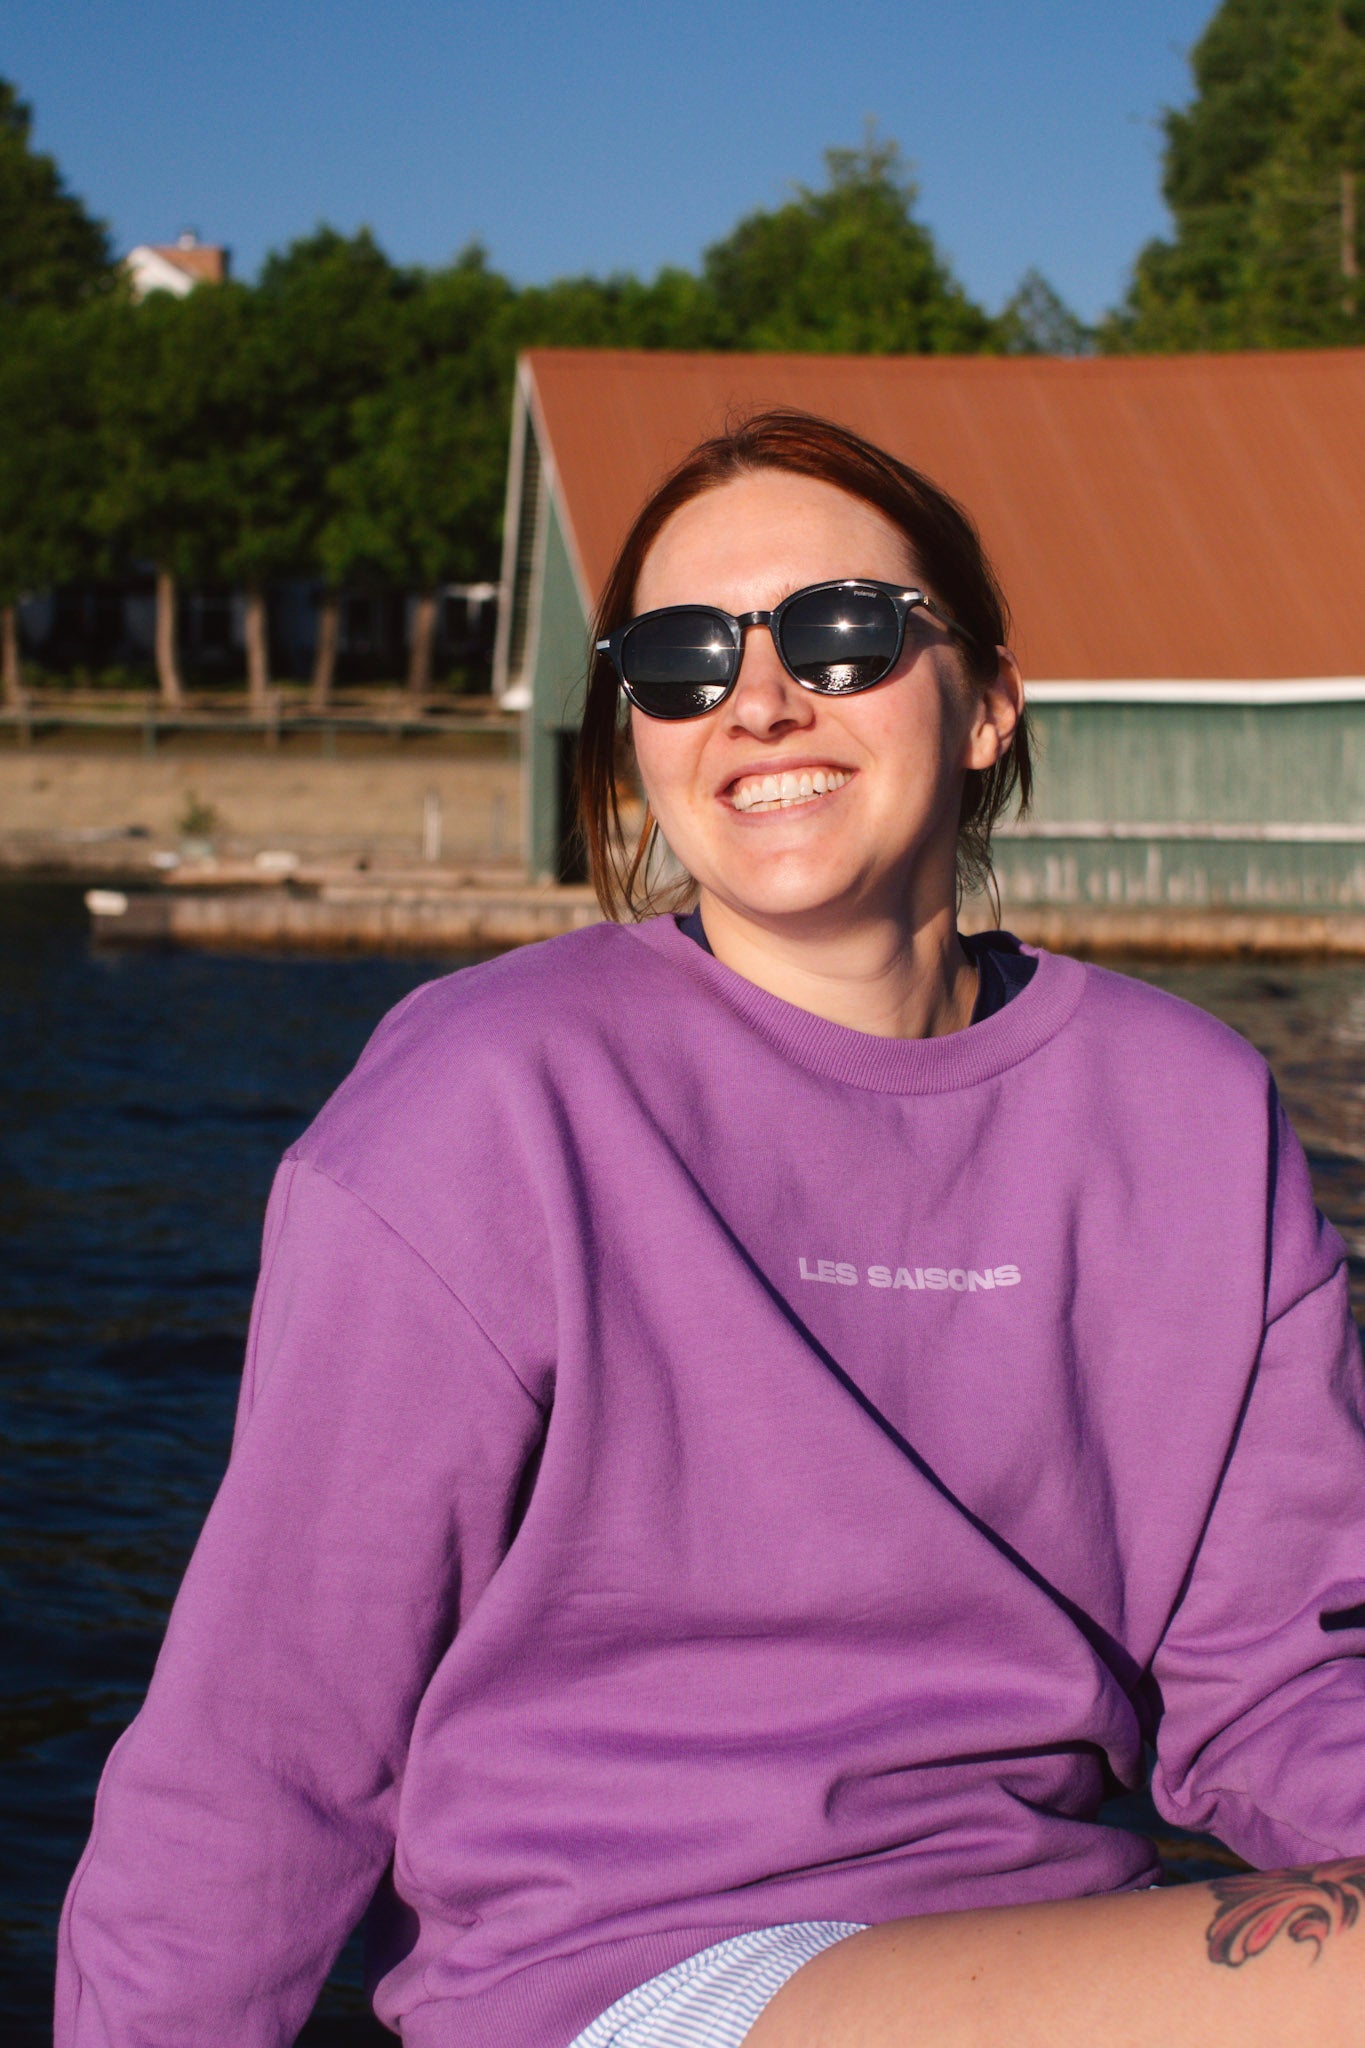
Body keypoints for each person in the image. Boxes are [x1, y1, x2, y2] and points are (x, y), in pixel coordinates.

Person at [57, 410, 1365, 2048]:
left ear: (988, 702)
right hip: (627, 1982)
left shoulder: (1188, 1110)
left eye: (841, 632)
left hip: (1045, 1940)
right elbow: (270, 1732)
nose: (757, 699)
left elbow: (1281, 1677)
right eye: (679, 660)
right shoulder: (490, 1097)